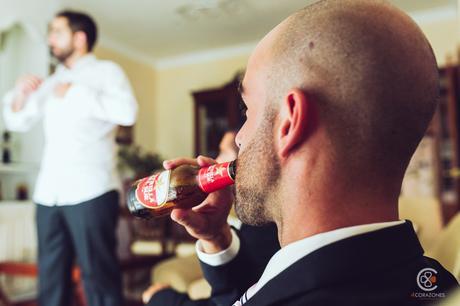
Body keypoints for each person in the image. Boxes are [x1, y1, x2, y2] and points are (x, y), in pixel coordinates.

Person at [161, 0, 459, 305]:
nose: (239, 138)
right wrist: (218, 240)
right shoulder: (438, 285)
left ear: (289, 123)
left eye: (247, 110)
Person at [2, 10, 137, 306]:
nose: (50, 39)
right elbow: (16, 121)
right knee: (50, 280)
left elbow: (127, 112)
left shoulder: (106, 72)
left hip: (91, 189)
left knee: (98, 278)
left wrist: (77, 92)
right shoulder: (52, 81)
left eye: (57, 32)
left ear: (80, 38)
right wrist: (20, 95)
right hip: (48, 194)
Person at [143, 131, 280, 306]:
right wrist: (215, 236)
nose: (216, 157)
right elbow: (240, 296)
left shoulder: (265, 222)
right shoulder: (254, 216)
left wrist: (162, 299)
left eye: (223, 151)